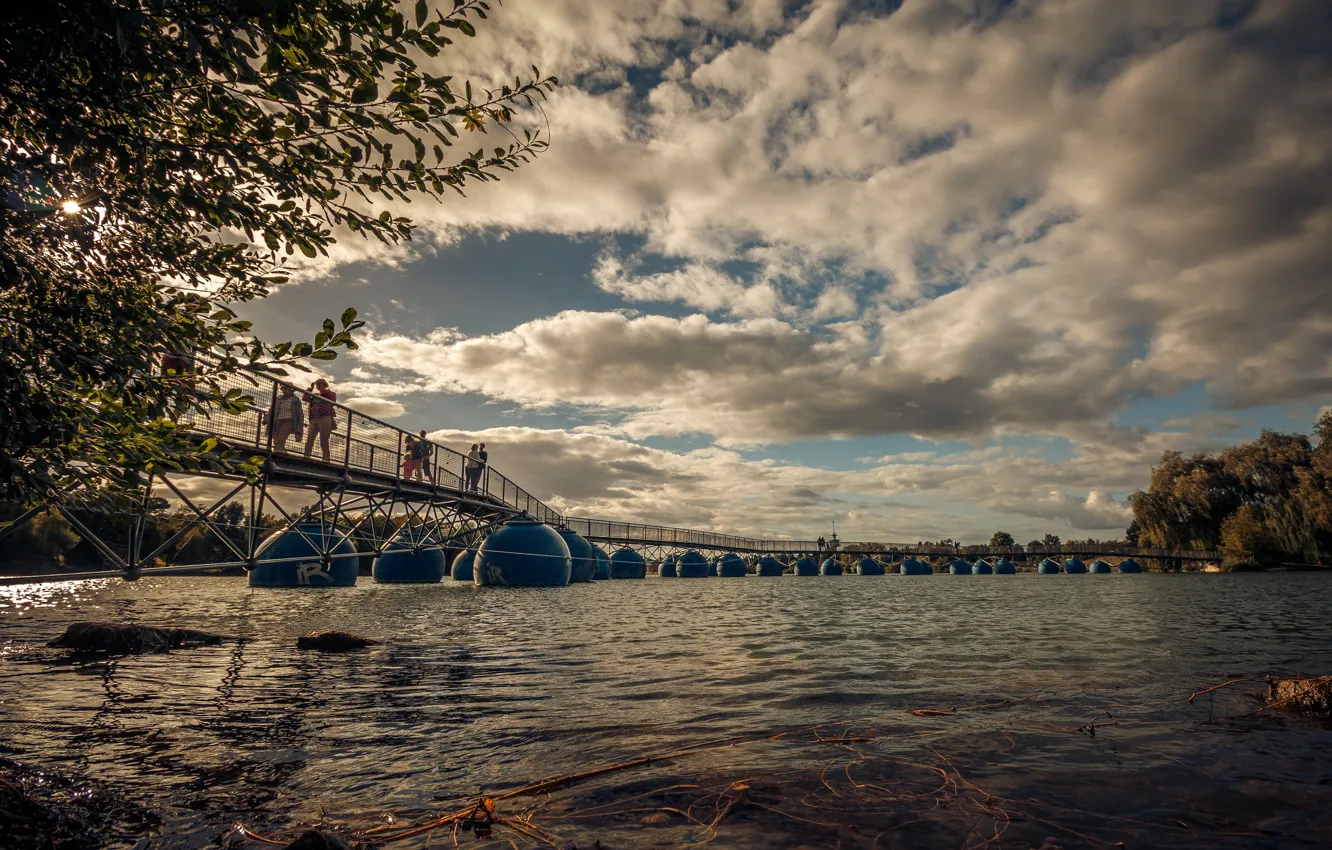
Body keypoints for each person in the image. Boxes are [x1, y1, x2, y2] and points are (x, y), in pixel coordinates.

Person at [303, 378, 337, 462]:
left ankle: (326, 459)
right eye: (316, 384)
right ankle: (306, 457)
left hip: (325, 417)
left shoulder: (331, 393)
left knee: (323, 439)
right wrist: (310, 389)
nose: (318, 386)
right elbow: (304, 398)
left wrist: (319, 406)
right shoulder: (315, 395)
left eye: (319, 384)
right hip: (314, 418)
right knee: (309, 439)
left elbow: (331, 403)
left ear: (324, 384)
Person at [271, 384, 304, 453]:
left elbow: (300, 414)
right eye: (283, 389)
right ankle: (282, 452)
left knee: (281, 437)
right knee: (276, 439)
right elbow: (272, 409)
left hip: (289, 420)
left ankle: (278, 453)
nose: (284, 390)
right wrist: (266, 419)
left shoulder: (295, 400)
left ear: (291, 390)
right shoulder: (279, 398)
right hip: (278, 420)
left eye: (286, 389)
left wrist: (299, 427)